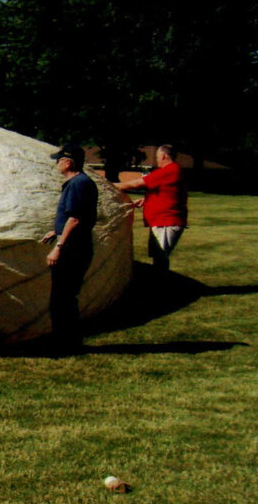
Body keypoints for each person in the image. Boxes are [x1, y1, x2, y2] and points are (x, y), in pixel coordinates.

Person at [40, 144, 98, 353]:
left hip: (73, 249)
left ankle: (65, 344)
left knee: (61, 299)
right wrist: (56, 231)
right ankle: (69, 341)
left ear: (68, 162)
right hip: (78, 245)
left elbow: (74, 218)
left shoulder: (76, 184)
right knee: (66, 297)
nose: (56, 164)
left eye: (59, 160)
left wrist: (59, 246)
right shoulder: (84, 182)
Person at [112, 144, 187, 276]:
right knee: (158, 256)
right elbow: (168, 192)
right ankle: (158, 282)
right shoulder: (172, 171)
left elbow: (135, 184)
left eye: (157, 156)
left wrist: (109, 185)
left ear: (163, 156)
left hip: (166, 221)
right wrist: (147, 200)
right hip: (162, 221)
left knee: (160, 257)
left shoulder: (169, 170)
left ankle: (159, 286)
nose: (157, 159)